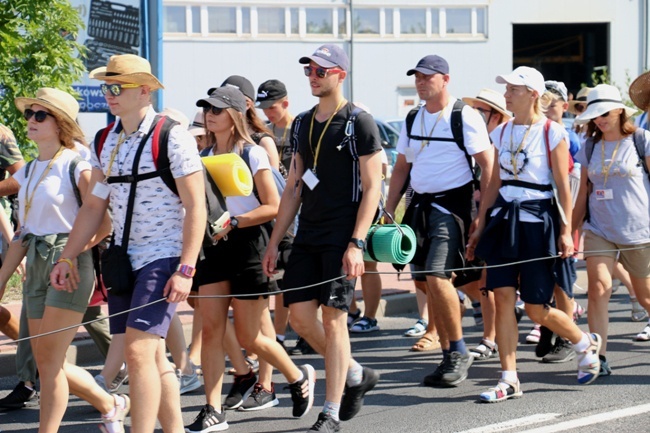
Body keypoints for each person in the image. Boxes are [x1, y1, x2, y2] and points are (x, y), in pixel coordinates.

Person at [49, 54, 206, 433]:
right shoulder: (105, 139)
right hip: (121, 259)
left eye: (118, 87)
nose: (110, 94)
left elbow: (196, 206)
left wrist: (186, 268)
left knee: (137, 353)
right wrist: (67, 256)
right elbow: (92, 206)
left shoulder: (172, 135)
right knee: (151, 359)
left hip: (163, 255)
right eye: (107, 86)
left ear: (145, 90)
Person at [263, 44, 382, 432]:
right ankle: (355, 373)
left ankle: (330, 412)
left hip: (342, 234)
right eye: (309, 70)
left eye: (321, 70)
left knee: (334, 321)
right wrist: (274, 240)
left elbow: (372, 188)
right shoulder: (300, 123)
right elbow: (294, 186)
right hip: (309, 233)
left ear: (340, 75)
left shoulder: (358, 122)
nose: (313, 76)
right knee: (299, 318)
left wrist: (356, 243)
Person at [186, 86, 315, 431]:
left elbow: (273, 205)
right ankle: (212, 409)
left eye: (217, 108)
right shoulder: (201, 156)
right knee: (212, 328)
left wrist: (237, 220)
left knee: (249, 337)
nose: (209, 114)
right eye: (206, 109)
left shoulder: (253, 152)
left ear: (234, 114)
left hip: (249, 244)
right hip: (215, 244)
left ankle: (296, 375)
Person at [470, 66, 602, 403]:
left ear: (532, 94)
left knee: (535, 308)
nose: (506, 94)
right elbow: (494, 183)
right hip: (503, 219)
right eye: (507, 88)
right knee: (501, 298)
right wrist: (480, 225)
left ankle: (583, 342)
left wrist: (566, 232)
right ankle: (509, 378)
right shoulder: (500, 133)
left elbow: (563, 186)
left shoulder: (552, 132)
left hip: (537, 220)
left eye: (513, 89)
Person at [0, 87, 121, 432]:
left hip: (68, 263)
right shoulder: (27, 171)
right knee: (44, 358)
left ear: (61, 123)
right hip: (38, 263)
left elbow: (104, 224)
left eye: (41, 115)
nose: (31, 121)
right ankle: (109, 403)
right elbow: (23, 235)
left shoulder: (78, 165)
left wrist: (69, 258)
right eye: (29, 114)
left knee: (50, 362)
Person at [385, 55, 495, 387]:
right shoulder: (413, 117)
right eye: (417, 77)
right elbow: (402, 167)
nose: (421, 82)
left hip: (452, 208)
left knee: (436, 275)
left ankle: (459, 351)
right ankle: (451, 351)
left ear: (445, 79)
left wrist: (483, 216)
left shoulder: (465, 116)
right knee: (428, 282)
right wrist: (388, 212)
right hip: (419, 208)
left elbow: (488, 167)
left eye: (427, 77)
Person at [572, 83, 650, 376]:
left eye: (604, 113)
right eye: (595, 115)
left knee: (645, 297)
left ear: (620, 110)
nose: (600, 119)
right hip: (599, 228)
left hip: (639, 230)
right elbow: (583, 194)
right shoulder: (590, 146)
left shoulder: (642, 140)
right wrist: (570, 230)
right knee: (598, 288)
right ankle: (599, 357)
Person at [257, 78, 315, 355]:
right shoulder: (264, 132)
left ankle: (308, 331)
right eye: (264, 108)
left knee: (301, 272)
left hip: (301, 206)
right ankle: (280, 334)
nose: (268, 113)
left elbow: (312, 169)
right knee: (281, 274)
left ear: (286, 103)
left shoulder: (301, 129)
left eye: (272, 107)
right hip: (278, 209)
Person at [460, 87, 512, 360]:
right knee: (476, 278)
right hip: (479, 214)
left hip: (505, 215)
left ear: (498, 115)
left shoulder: (505, 140)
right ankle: (490, 331)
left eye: (482, 110)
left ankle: (492, 337)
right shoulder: (475, 138)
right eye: (476, 109)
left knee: (490, 278)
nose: (477, 114)